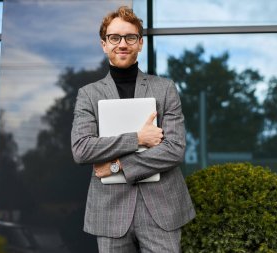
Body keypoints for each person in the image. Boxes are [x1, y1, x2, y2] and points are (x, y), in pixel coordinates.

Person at [71, 6, 195, 253]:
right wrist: (138, 138)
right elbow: (82, 149)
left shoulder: (165, 89)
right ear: (104, 44)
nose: (122, 44)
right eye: (114, 37)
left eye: (129, 37)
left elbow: (175, 149)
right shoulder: (88, 95)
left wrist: (117, 166)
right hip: (110, 212)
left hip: (162, 209)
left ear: (140, 44)